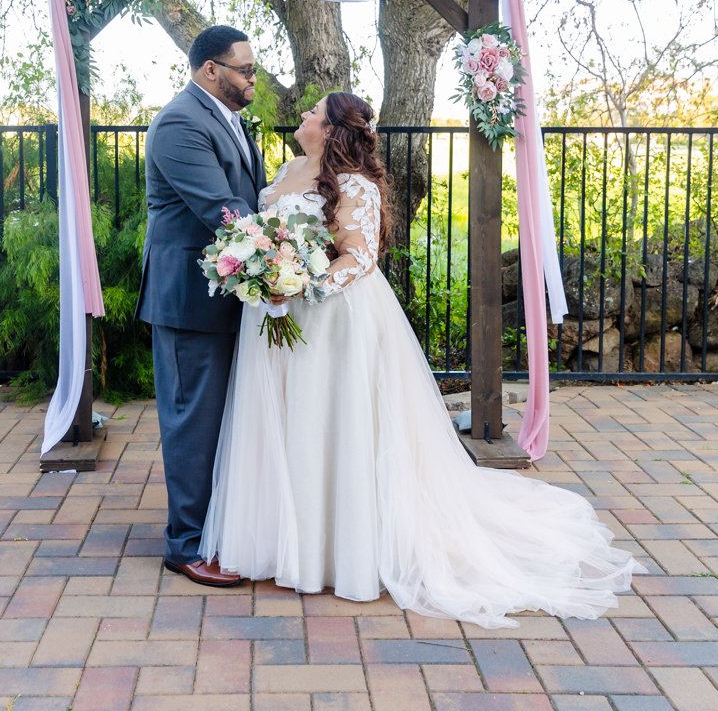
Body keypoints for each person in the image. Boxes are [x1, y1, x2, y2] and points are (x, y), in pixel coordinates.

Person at [201, 91, 642, 624]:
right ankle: (285, 541)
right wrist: (265, 276)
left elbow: (359, 257)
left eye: (312, 112)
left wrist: (298, 285)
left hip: (331, 318)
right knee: (285, 421)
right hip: (274, 318)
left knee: (333, 422)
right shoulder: (287, 169)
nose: (302, 116)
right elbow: (269, 236)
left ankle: (342, 548)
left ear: (333, 128)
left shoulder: (355, 185)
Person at [136, 25, 267, 588]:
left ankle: (216, 527)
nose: (253, 79)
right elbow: (223, 209)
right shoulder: (181, 123)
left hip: (225, 297)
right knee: (193, 422)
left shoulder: (229, 120)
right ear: (210, 70)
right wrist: (284, 256)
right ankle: (185, 544)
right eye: (246, 70)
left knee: (223, 421)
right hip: (190, 299)